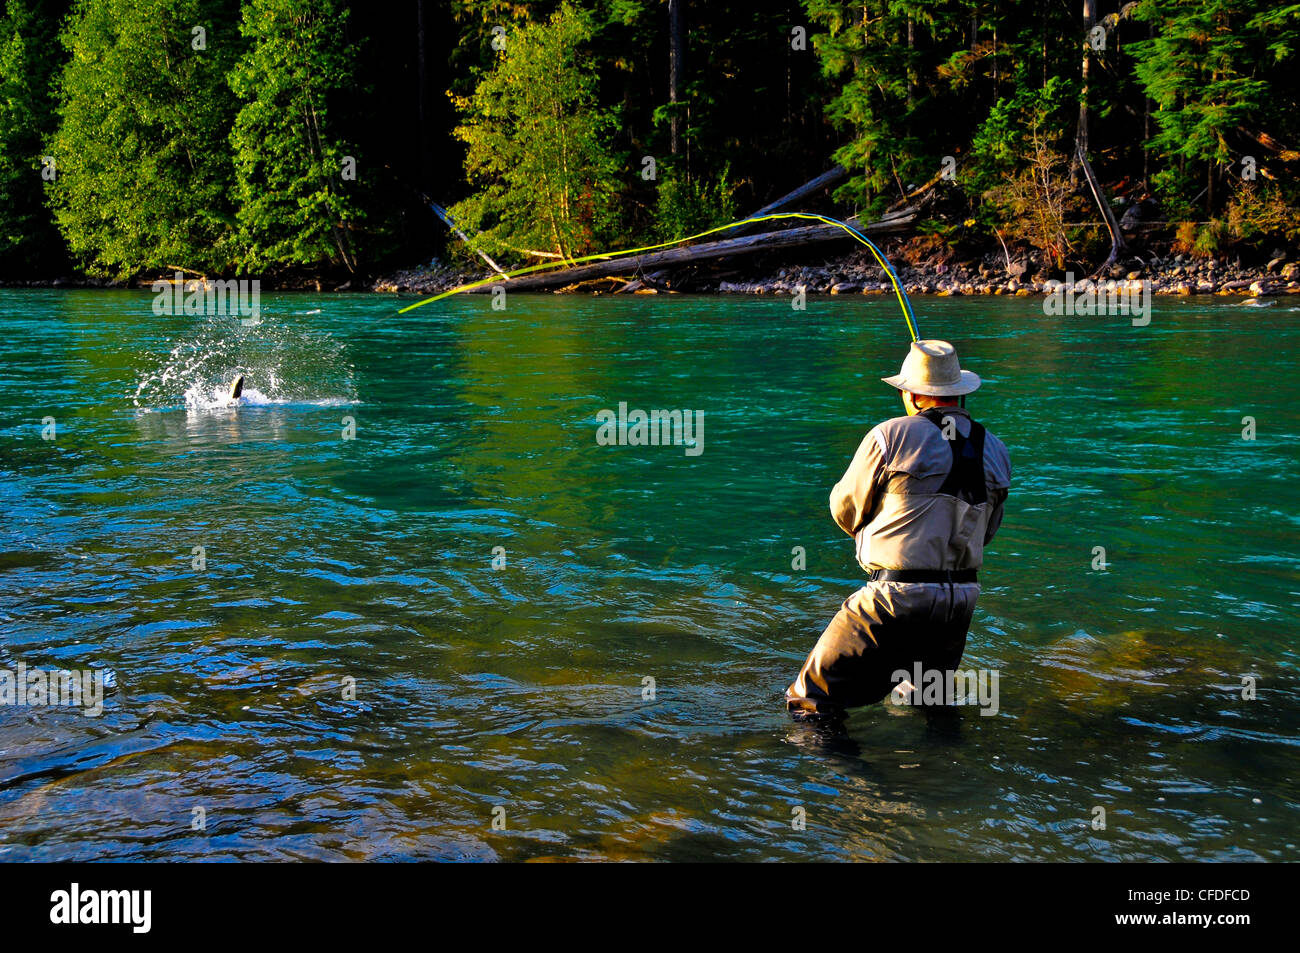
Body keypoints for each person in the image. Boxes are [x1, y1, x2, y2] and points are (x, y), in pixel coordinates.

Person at [785, 339, 1011, 721]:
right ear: (959, 394)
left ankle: (861, 780)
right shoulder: (997, 449)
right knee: (929, 698)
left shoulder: (888, 436)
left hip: (895, 595)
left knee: (810, 701)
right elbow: (988, 532)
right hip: (962, 598)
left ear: (911, 394)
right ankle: (947, 767)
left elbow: (846, 508)